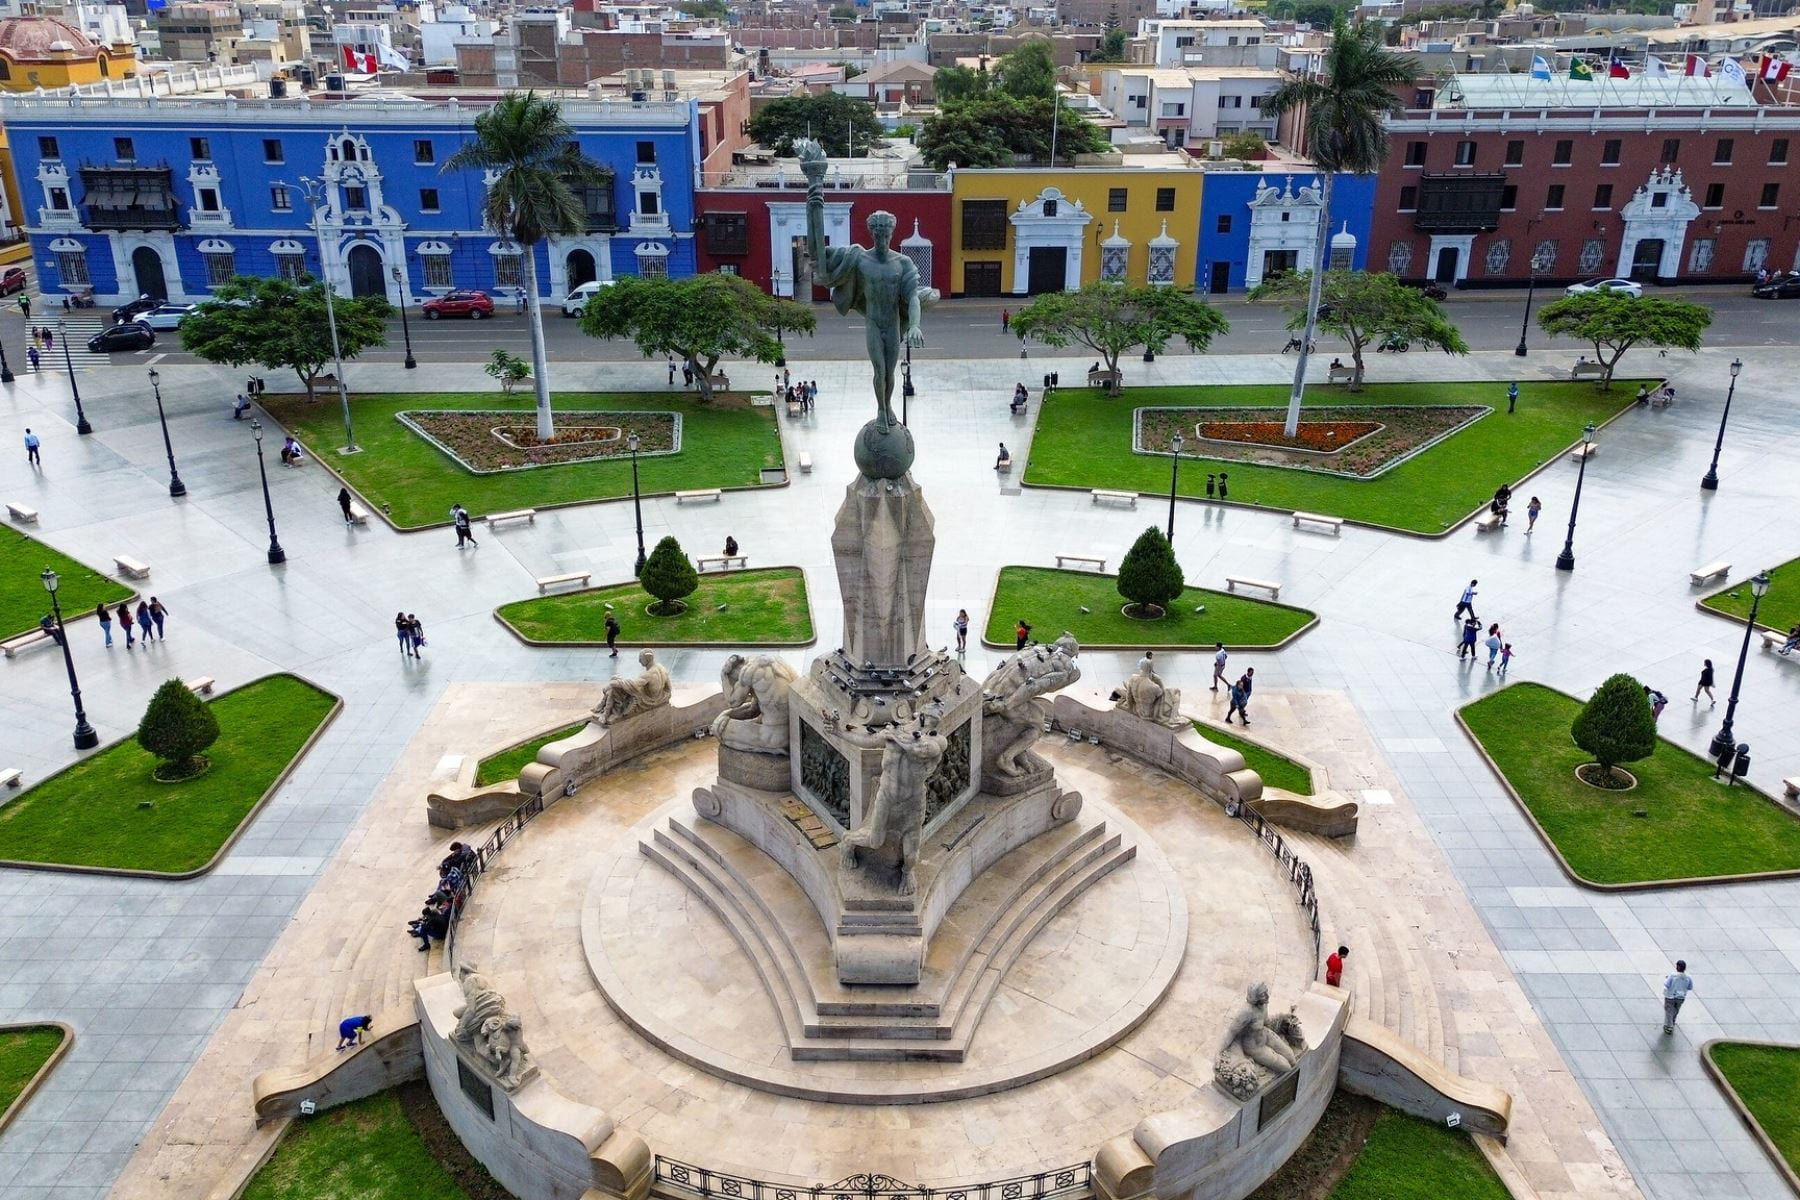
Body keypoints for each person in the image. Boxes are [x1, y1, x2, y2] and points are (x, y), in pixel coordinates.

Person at [1662, 960, 1693, 1034]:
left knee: (1669, 1011)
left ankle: (1669, 1026)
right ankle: (1672, 1021)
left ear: (1678, 967)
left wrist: (1667, 978)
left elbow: (1667, 985)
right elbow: (1690, 987)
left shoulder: (1672, 975)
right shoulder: (1688, 977)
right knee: (1676, 1010)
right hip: (1681, 997)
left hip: (1670, 996)